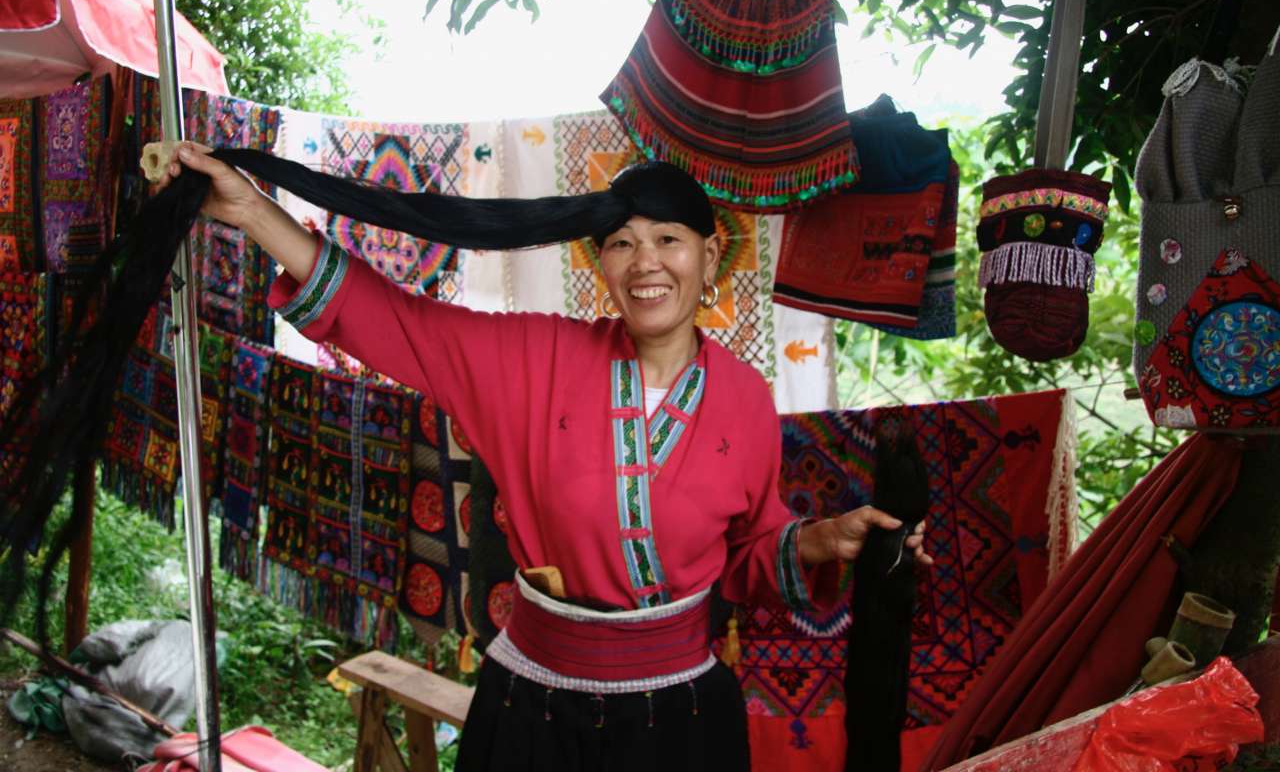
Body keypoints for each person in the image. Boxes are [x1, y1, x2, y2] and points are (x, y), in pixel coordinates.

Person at [155, 144, 932, 771]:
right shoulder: (532, 359)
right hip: (534, 707)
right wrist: (250, 209)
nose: (646, 262)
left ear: (709, 252)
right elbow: (391, 317)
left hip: (680, 718)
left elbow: (745, 558)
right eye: (621, 244)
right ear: (601, 265)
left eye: (668, 239)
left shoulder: (744, 400)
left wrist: (822, 540)